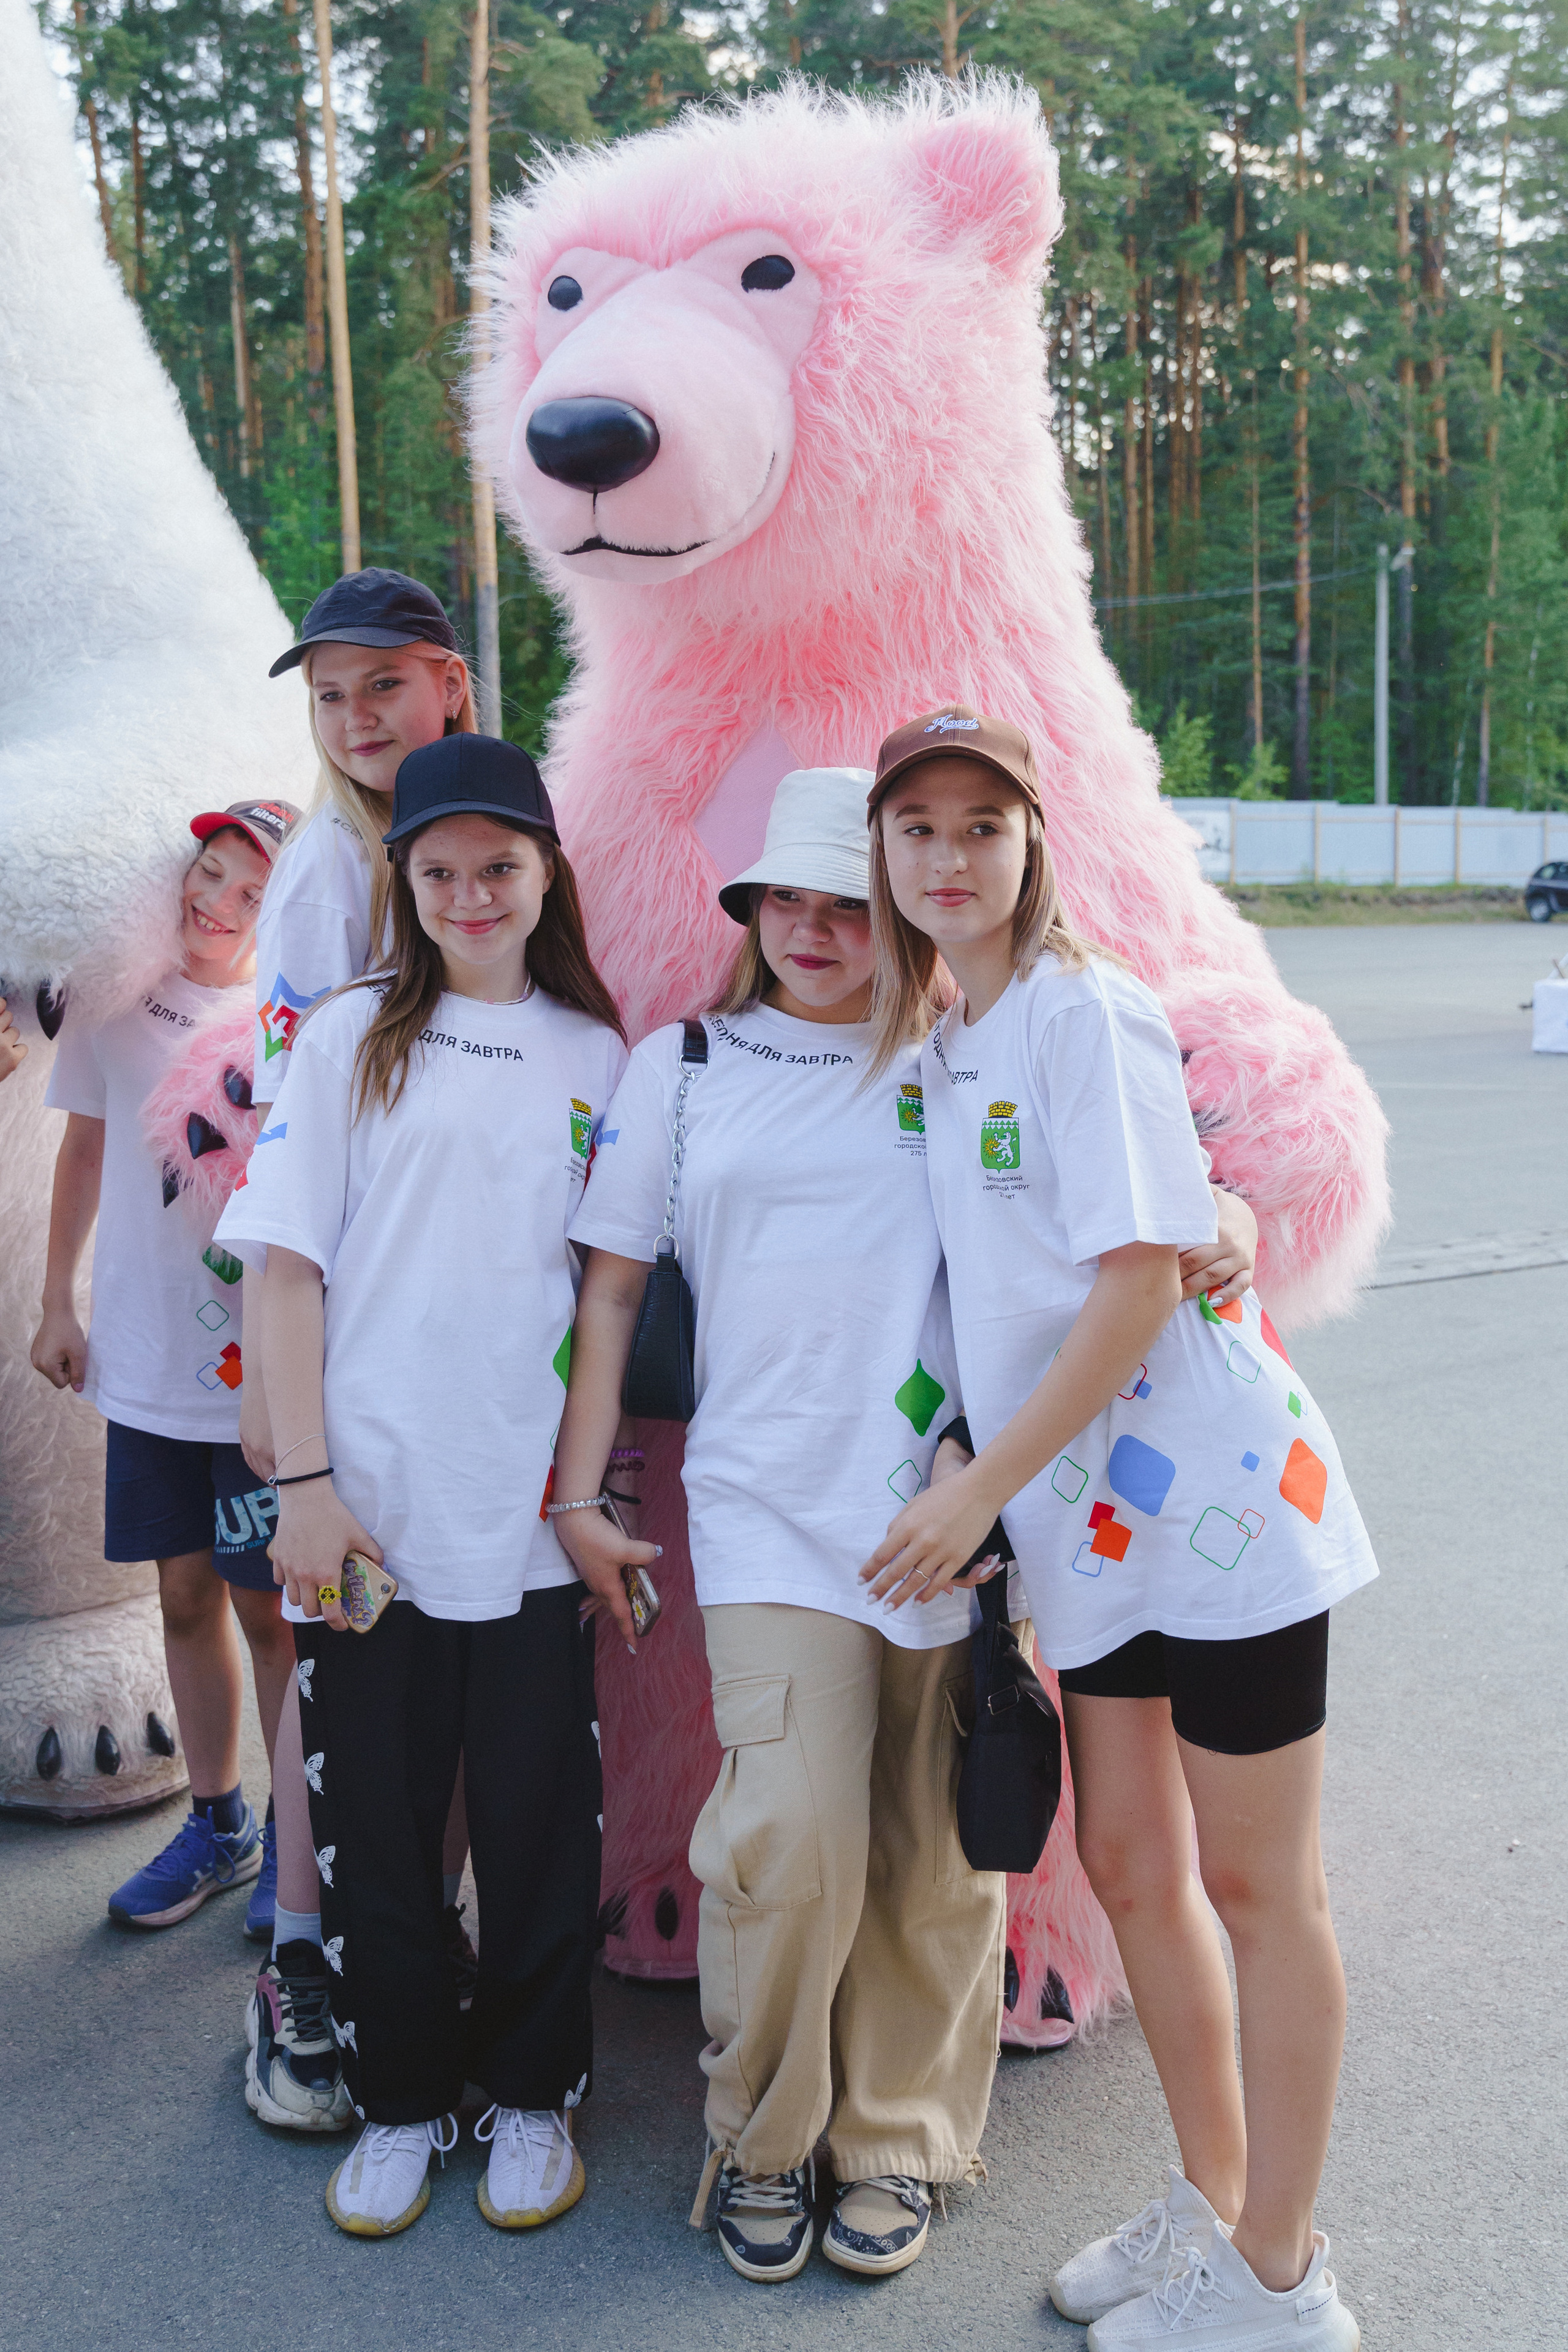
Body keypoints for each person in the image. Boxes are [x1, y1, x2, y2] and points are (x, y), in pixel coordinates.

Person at [550, 768, 1259, 2285]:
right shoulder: (678, 1066)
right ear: (744, 914)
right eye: (781, 901)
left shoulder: (961, 1059)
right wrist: (576, 1489)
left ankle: (894, 2142)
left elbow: (1121, 1205)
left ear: (889, 913)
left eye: (838, 903)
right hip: (756, 1509)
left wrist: (1233, 1218)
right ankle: (760, 2136)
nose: (810, 930)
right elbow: (607, 1290)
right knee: (787, 1843)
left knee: (931, 1855)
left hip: (946, 1511)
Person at [861, 707, 1373, 2352]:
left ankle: (1286, 2281)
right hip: (1085, 1533)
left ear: (1032, 844)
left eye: (981, 827)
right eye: (918, 827)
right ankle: (1215, 2209)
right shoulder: (947, 1046)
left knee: (1255, 1882)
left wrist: (974, 1495)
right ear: (884, 851)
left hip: (1220, 1508)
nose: (950, 857)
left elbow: (1142, 1280)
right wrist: (1004, 1501)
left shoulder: (1088, 1010)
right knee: (1138, 1873)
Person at [213, 734, 627, 2238]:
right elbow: (284, 1266)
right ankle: (397, 2101)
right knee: (374, 1823)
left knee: (532, 1819)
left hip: (519, 1518)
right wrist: (306, 1480)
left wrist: (581, 1491)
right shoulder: (347, 1038)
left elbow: (608, 1299)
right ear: (405, 879)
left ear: (543, 874)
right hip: (361, 1512)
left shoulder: (599, 1052)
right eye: (438, 869)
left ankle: (528, 2098)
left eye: (497, 867)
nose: (468, 893)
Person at [244, 568, 479, 2135]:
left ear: (449, 684)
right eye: (329, 697)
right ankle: (299, 1953)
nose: (354, 719)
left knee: (444, 1638)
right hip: (331, 1311)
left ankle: (422, 1926)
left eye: (381, 686)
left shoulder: (468, 845)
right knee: (333, 1643)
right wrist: (286, 1406)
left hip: (453, 1325)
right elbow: (283, 1147)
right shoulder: (331, 868)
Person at [31, 799, 300, 1936]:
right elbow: (85, 1145)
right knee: (181, 1595)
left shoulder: (294, 1018)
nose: (219, 903)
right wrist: (57, 1301)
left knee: (269, 1609)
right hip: (142, 1363)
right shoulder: (116, 1002)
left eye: (251, 888)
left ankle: (301, 1834)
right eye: (209, 871)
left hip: (258, 1385)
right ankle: (217, 1820)